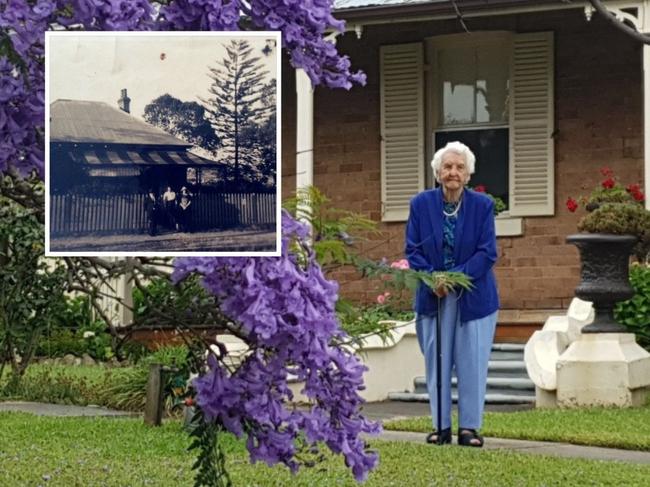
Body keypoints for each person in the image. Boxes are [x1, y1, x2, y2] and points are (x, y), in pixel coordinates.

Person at [405, 141, 499, 448]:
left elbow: (487, 253)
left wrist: (455, 277)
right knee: (437, 361)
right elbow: (413, 250)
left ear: (469, 174)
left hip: (475, 298)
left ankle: (469, 428)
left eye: (459, 167)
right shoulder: (420, 204)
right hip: (433, 296)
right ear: (437, 172)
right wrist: (434, 279)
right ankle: (440, 427)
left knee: (472, 362)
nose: (453, 172)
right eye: (447, 167)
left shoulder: (483, 206)